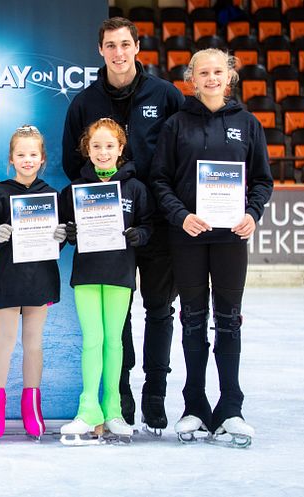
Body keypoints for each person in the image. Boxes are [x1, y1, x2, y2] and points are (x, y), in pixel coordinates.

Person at [62, 16, 185, 432]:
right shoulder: (83, 102)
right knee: (118, 316)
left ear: (137, 47)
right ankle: (120, 395)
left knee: (158, 308)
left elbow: (180, 154)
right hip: (105, 231)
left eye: (125, 44)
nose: (118, 53)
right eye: (110, 45)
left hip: (155, 223)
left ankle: (154, 393)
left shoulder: (165, 95)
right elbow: (70, 162)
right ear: (100, 50)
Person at [150, 49, 273, 447]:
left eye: (218, 71)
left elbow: (262, 181)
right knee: (193, 320)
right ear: (192, 78)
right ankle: (194, 406)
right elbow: (160, 181)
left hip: (231, 239)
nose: (211, 78)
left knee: (230, 319)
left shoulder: (248, 124)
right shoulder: (175, 125)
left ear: (229, 76)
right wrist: (181, 215)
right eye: (203, 72)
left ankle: (231, 406)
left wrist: (252, 213)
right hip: (187, 237)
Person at [58, 118, 153, 443]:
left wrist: (138, 234)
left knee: (115, 341)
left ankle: (112, 410)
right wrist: (67, 233)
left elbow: (148, 226)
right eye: (96, 146)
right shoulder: (73, 190)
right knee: (92, 340)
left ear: (120, 149)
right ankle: (88, 410)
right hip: (86, 274)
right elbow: (62, 231)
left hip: (119, 274)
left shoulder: (136, 188)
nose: (102, 152)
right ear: (87, 149)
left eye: (109, 146)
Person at [0, 125, 65, 442]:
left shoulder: (51, 195)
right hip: (8, 278)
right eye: (21, 154)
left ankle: (32, 407)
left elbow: (60, 237)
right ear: (11, 159)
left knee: (34, 343)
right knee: (5, 340)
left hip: (40, 276)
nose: (27, 160)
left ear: (42, 159)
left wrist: (61, 237)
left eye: (33, 154)